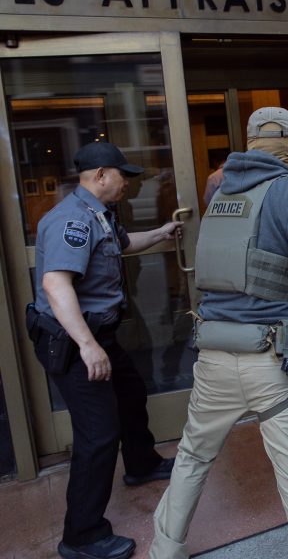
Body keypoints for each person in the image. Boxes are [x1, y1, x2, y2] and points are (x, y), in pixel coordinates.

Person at [149, 107, 288, 559]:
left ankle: (163, 551)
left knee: (192, 458)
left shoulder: (219, 189)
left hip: (214, 355)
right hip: (272, 362)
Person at [31, 141, 180, 559]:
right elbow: (55, 285)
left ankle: (142, 464)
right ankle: (82, 536)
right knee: (97, 436)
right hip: (72, 338)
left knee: (130, 394)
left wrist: (161, 233)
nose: (126, 185)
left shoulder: (99, 214)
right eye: (121, 177)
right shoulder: (71, 221)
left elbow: (123, 244)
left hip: (98, 333)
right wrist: (88, 346)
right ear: (100, 176)